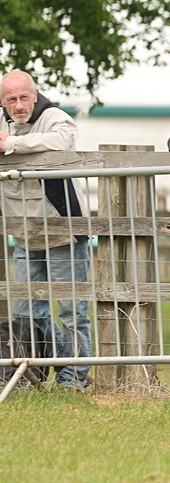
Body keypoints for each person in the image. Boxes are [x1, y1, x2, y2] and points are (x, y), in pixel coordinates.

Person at [0, 70, 91, 389]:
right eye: (11, 99)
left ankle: (74, 379)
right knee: (28, 312)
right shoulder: (2, 122)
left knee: (72, 310)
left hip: (63, 231)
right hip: (24, 236)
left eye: (24, 97)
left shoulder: (54, 117)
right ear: (3, 101)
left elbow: (62, 141)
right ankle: (63, 361)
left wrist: (11, 144)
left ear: (35, 95)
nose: (18, 105)